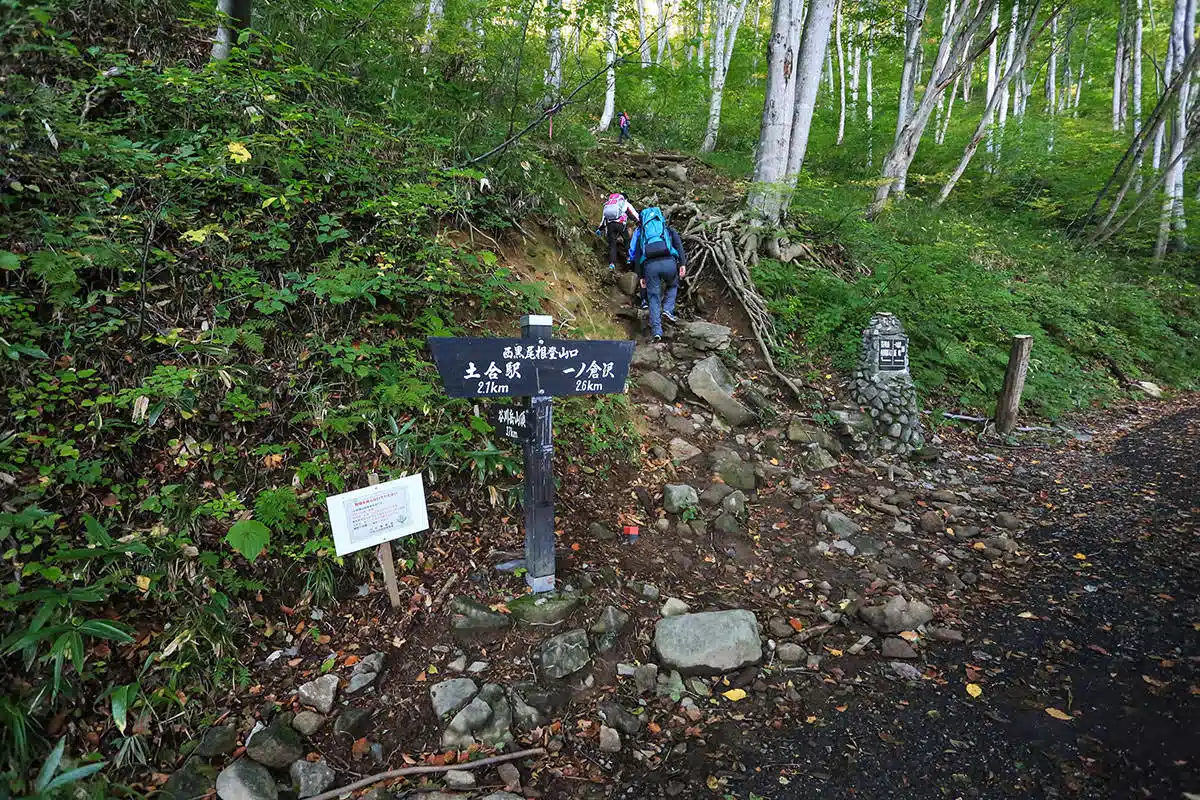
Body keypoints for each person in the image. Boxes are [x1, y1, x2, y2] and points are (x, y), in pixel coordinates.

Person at [628, 206, 686, 343]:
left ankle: (656, 332)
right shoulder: (666, 230)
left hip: (650, 266)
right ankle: (667, 310)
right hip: (669, 262)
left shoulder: (642, 233)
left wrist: (641, 275)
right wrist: (682, 263)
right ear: (660, 218)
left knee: (653, 297)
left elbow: (637, 255)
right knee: (673, 284)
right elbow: (678, 245)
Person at [596, 192, 639, 271]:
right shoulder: (624, 202)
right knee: (627, 239)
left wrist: (600, 229)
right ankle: (629, 258)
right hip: (621, 224)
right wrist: (639, 222)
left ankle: (612, 264)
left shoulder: (609, 203)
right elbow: (632, 214)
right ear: (625, 198)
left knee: (612, 245)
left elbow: (604, 218)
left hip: (610, 225)